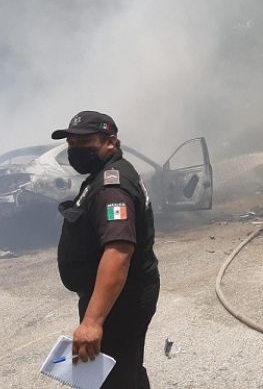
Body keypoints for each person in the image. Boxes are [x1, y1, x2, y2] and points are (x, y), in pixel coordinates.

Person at [52, 111, 159, 389]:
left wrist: (91, 322)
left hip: (122, 300)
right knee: (122, 370)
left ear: (110, 142)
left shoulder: (112, 187)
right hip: (116, 297)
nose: (76, 150)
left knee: (113, 380)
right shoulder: (104, 175)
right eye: (72, 143)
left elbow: (118, 253)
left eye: (84, 142)